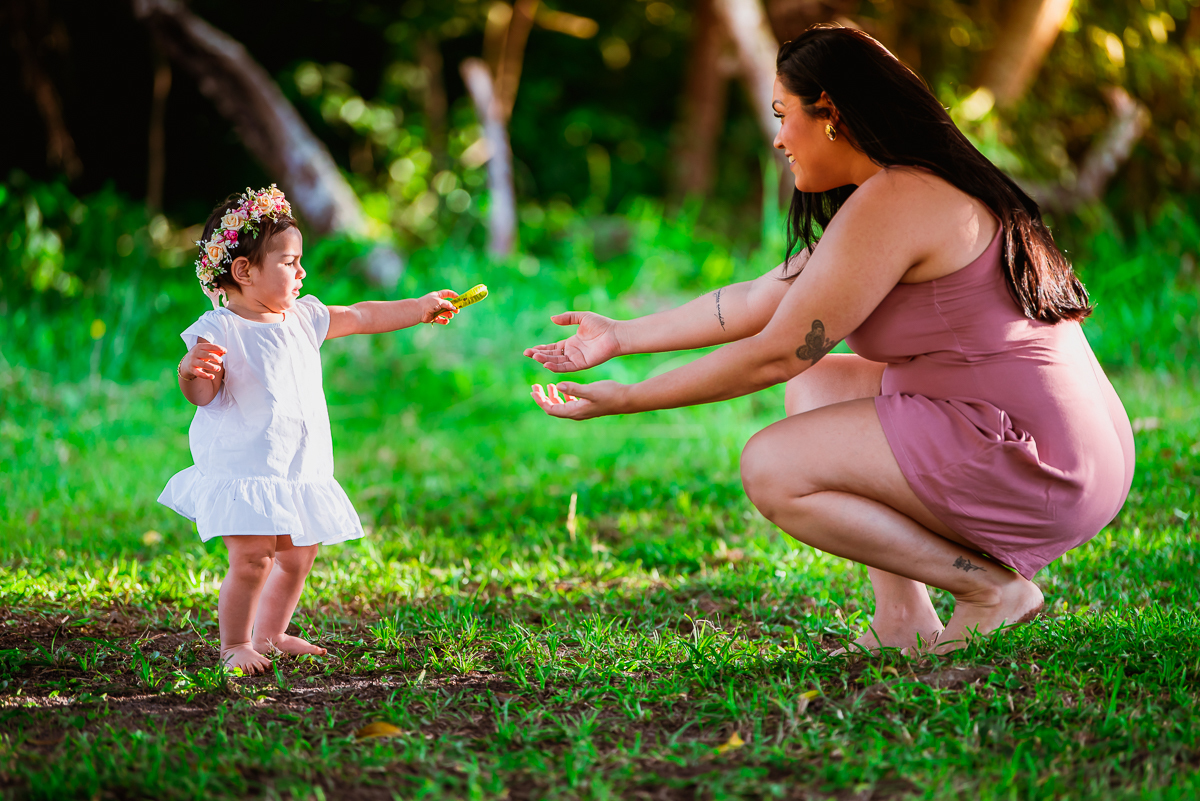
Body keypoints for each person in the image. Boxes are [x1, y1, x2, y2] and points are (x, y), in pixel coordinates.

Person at [525, 26, 1134, 654]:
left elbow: (775, 352)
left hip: (1045, 465)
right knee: (818, 385)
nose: (778, 136)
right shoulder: (902, 189)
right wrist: (619, 336)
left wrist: (628, 398)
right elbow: (761, 298)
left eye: (785, 115)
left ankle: (989, 591)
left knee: (774, 467)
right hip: (1062, 448)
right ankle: (903, 620)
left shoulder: (902, 197)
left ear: (832, 115)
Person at [159, 185, 460, 674]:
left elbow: (362, 315)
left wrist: (419, 306)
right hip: (246, 471)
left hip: (297, 468)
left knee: (298, 557)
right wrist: (191, 372)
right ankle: (235, 644)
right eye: (289, 262)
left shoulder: (302, 318)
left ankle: (272, 634)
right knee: (253, 559)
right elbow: (202, 396)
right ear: (243, 271)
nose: (301, 272)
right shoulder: (220, 329)